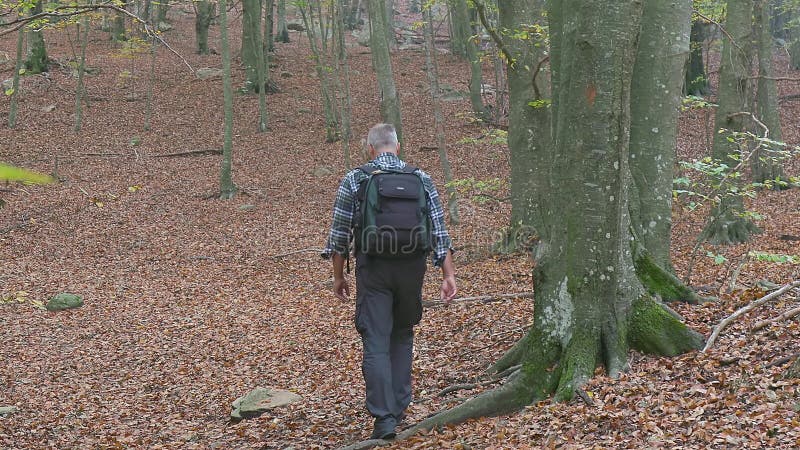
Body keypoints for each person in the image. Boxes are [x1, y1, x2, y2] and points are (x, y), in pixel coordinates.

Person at [323, 123, 457, 440]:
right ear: (397, 147)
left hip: (374, 269)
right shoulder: (421, 178)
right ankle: (399, 406)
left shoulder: (355, 179)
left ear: (371, 149)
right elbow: (439, 232)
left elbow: (339, 236)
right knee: (402, 334)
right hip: (412, 269)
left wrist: (339, 276)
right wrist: (448, 275)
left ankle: (384, 419)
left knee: (376, 339)